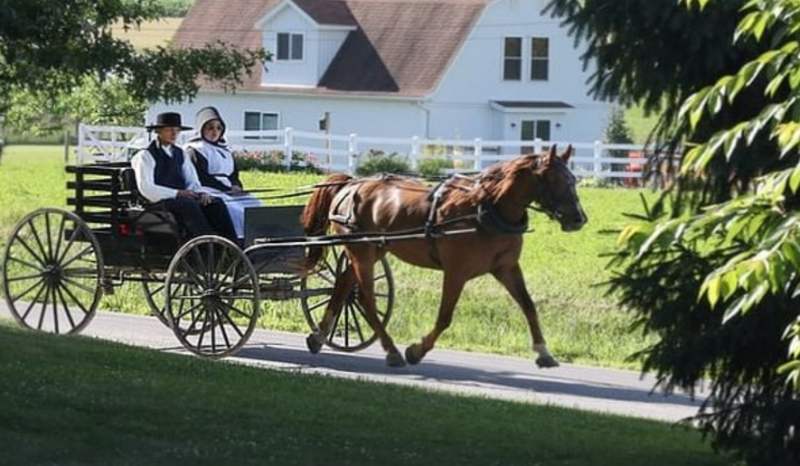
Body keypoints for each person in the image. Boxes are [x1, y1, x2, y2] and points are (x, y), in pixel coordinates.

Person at [130, 111, 238, 244]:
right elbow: (147, 188)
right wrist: (178, 193)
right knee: (188, 205)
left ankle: (231, 244)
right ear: (158, 131)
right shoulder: (146, 155)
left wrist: (200, 193)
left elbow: (191, 180)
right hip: (158, 202)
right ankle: (206, 244)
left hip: (181, 199)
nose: (174, 134)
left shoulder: (180, 154)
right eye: (169, 130)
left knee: (215, 203)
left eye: (177, 130)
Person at [184, 106, 262, 242]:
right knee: (236, 211)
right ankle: (239, 242)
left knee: (255, 204)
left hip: (229, 191)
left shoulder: (225, 150)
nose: (215, 132)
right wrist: (226, 188)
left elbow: (233, 174)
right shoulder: (195, 150)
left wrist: (236, 186)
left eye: (218, 128)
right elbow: (202, 177)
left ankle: (258, 239)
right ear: (202, 129)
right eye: (210, 128)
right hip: (208, 190)